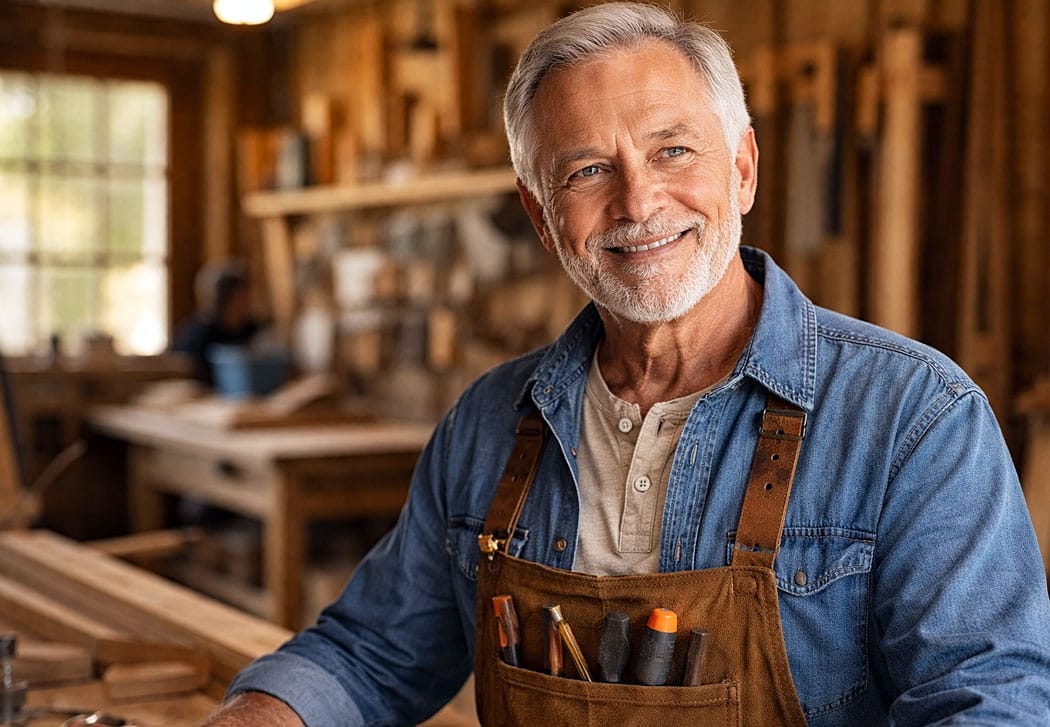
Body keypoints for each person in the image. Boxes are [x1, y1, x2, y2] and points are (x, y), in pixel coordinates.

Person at [200, 4, 1050, 725]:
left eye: (673, 151)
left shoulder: (914, 417)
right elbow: (371, 653)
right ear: (541, 216)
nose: (639, 203)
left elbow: (988, 702)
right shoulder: (489, 424)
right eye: (590, 170)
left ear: (743, 168)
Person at [172, 261, 260, 386]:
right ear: (224, 300)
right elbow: (184, 374)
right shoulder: (197, 335)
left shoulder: (252, 329)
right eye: (241, 298)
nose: (248, 303)